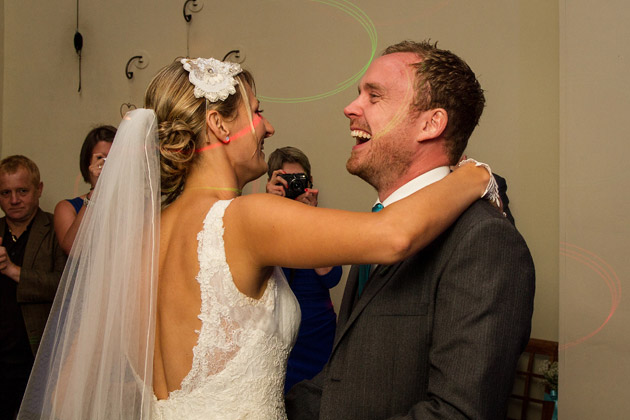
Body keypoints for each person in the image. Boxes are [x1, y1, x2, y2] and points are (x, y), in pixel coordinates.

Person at [18, 57, 496, 420]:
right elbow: (393, 236)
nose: (269, 126)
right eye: (258, 111)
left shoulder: (136, 238)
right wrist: (475, 176)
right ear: (218, 124)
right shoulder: (246, 219)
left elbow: (64, 393)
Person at [286, 40, 536, 420]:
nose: (350, 108)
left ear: (431, 123)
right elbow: (344, 381)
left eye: (374, 96)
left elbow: (458, 413)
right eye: (359, 94)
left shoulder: (484, 239)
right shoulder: (378, 223)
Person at [266, 146, 342, 393]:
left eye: (300, 179)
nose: (294, 186)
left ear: (310, 182)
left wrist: (310, 220)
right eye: (288, 180)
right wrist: (268, 207)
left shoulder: (320, 222)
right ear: (273, 181)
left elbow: (331, 277)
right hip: (274, 332)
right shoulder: (258, 216)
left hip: (316, 332)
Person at [0, 155, 66, 420]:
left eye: (22, 191)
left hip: (36, 356)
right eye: (5, 193)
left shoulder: (55, 229)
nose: (14, 200)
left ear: (38, 189)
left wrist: (12, 270)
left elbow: (65, 286)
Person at [53, 125, 116, 254]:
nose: (107, 164)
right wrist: (96, 190)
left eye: (114, 157)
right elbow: (73, 250)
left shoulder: (137, 204)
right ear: (88, 163)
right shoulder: (67, 207)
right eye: (101, 158)